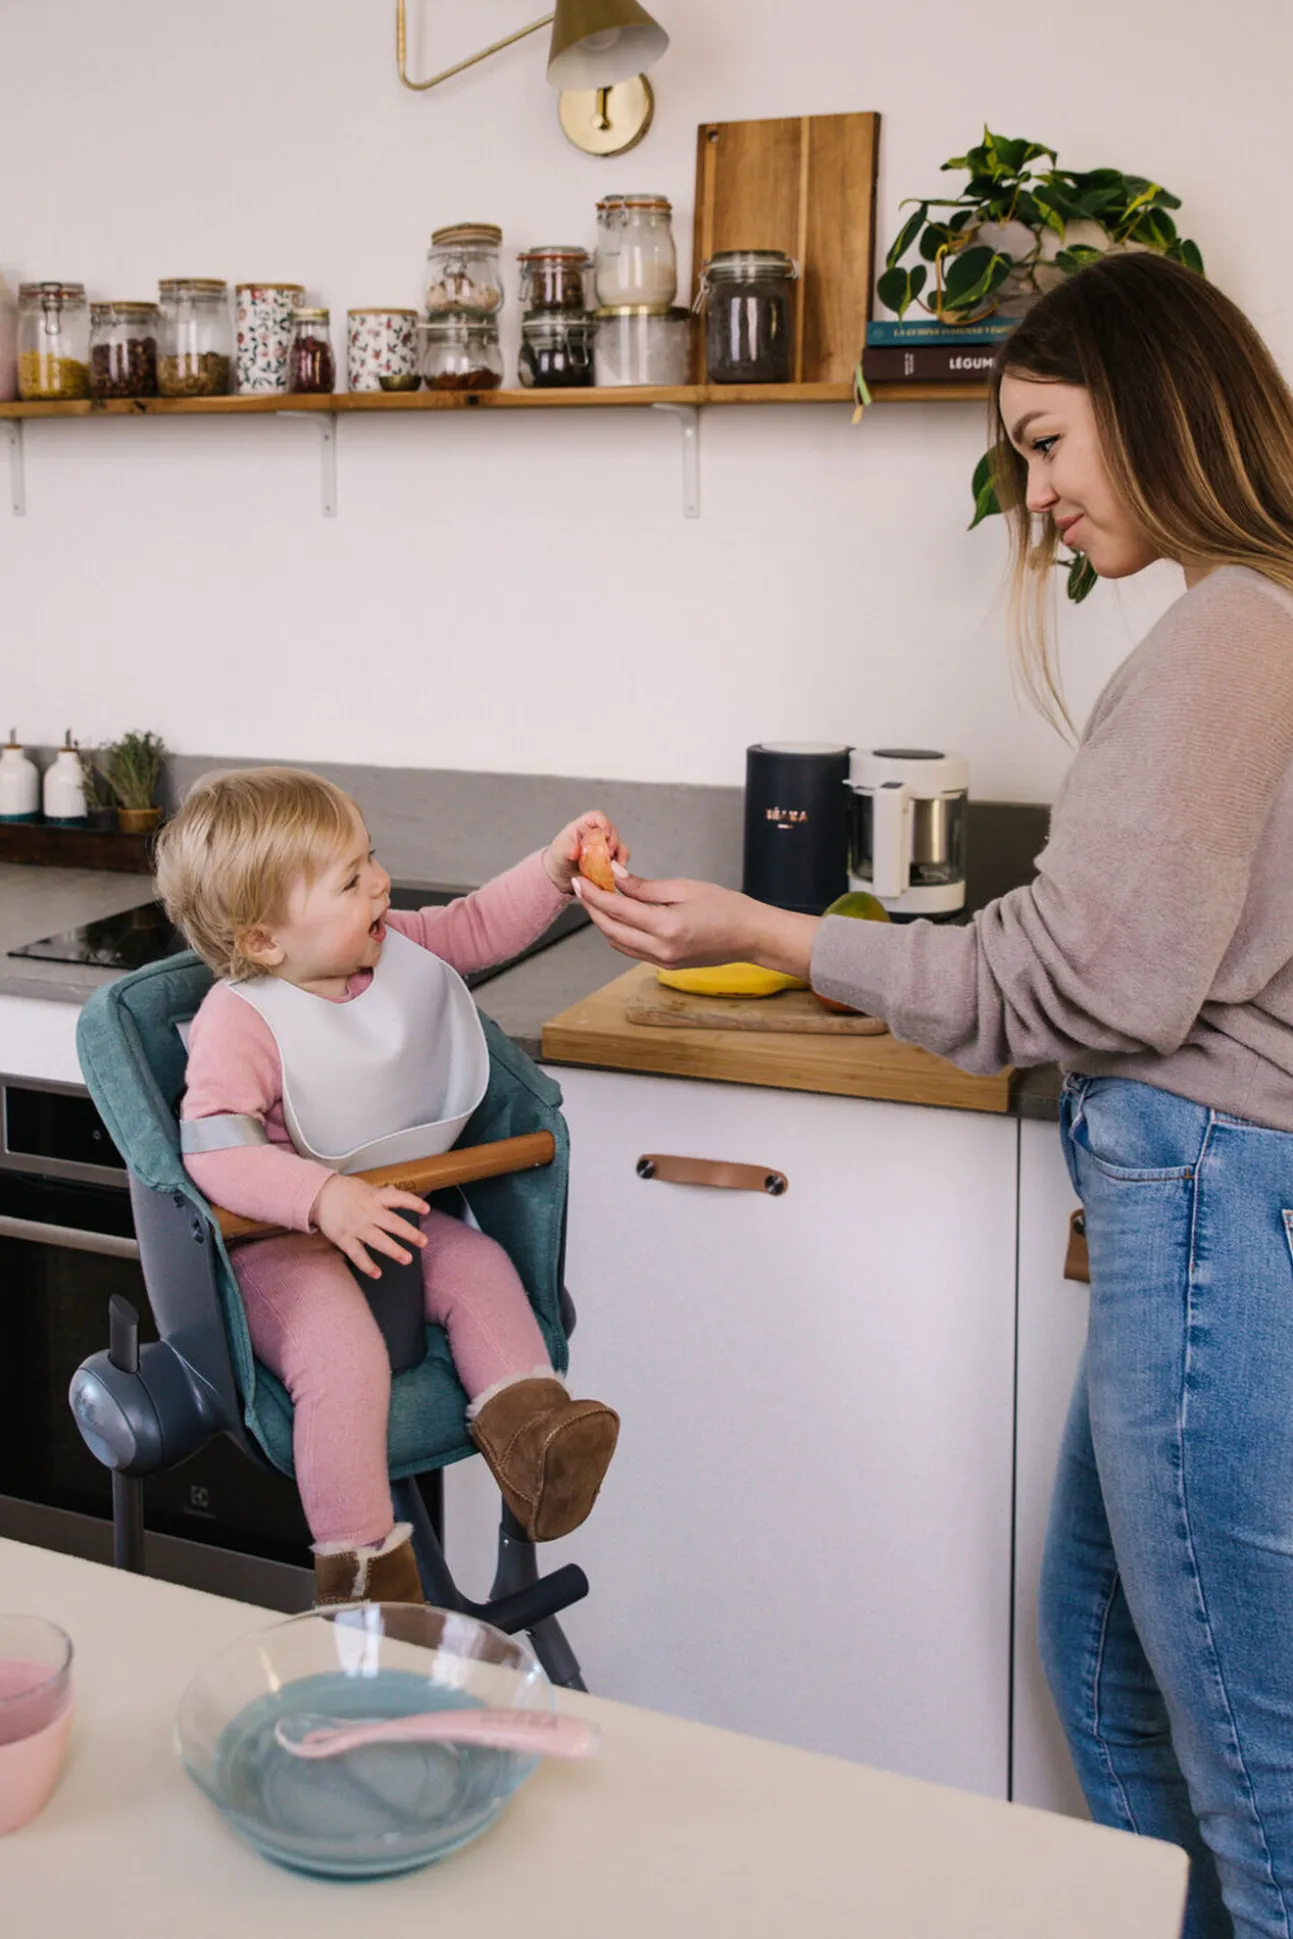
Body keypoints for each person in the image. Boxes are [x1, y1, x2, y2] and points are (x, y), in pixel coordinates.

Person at [574, 251, 1293, 1939]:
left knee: (1254, 1772)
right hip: (1201, 1202)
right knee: (1110, 1678)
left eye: (1044, 443)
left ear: (1148, 402)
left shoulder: (1225, 631)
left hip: (1202, 1206)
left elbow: (1084, 977)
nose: (1032, 500)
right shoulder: (1254, 619)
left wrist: (769, 926)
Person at [156, 767, 623, 1608]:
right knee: (341, 1355)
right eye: (350, 878)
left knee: (480, 1266)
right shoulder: (241, 1018)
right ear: (264, 941)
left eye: (370, 857)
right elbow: (215, 1156)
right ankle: (364, 1571)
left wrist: (552, 872)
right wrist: (321, 1199)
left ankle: (535, 1438)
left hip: (385, 1208)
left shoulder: (388, 947)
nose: (380, 881)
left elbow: (476, 925)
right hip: (278, 1246)